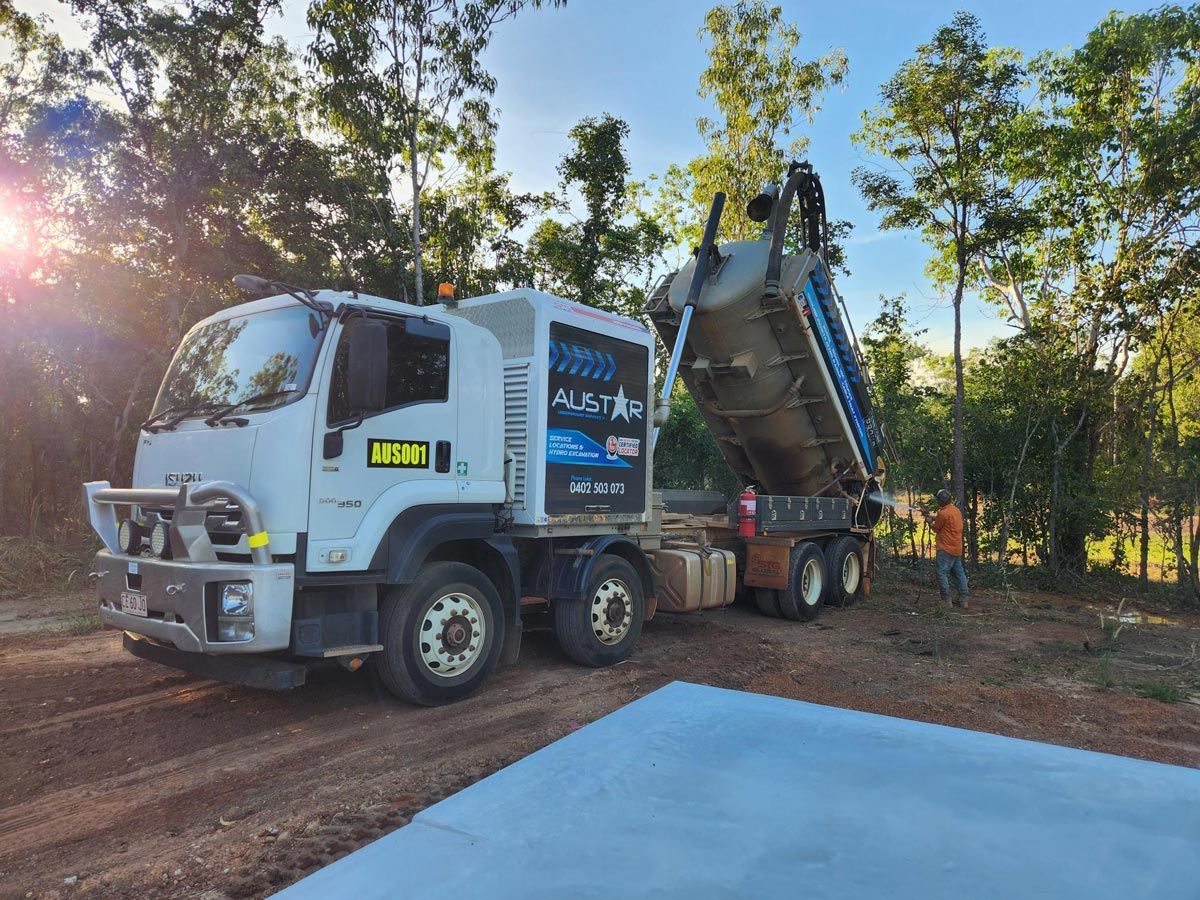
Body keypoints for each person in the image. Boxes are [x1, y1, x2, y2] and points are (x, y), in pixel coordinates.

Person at [923, 489, 969, 609]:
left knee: (941, 573)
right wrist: (932, 517)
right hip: (956, 548)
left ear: (941, 501)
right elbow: (944, 521)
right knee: (959, 573)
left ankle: (946, 601)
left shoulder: (943, 514)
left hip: (945, 549)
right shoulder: (955, 511)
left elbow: (936, 528)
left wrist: (929, 521)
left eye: (938, 499)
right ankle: (964, 599)